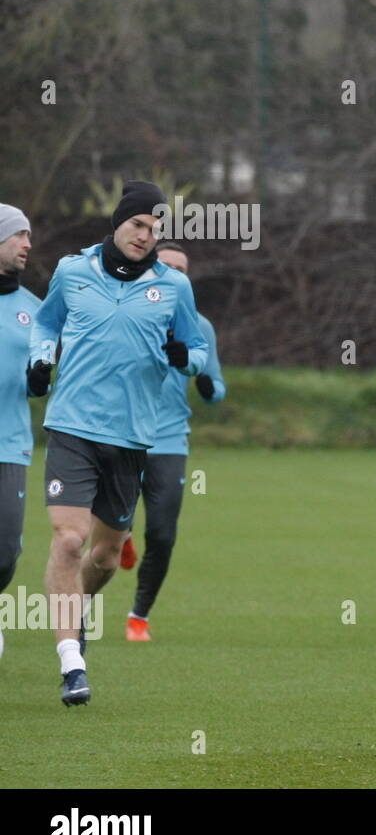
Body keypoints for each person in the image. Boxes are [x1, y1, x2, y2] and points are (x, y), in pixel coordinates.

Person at [29, 181, 208, 705]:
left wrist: (185, 358)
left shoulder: (173, 287)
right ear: (118, 222)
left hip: (132, 437)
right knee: (68, 540)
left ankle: (75, 608)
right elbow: (46, 324)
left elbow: (197, 349)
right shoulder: (72, 270)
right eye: (137, 225)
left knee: (106, 558)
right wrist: (41, 360)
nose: (145, 237)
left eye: (155, 230)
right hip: (72, 428)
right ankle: (71, 662)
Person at [122, 241, 226, 641]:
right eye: (167, 265)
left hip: (169, 441)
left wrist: (204, 383)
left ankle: (139, 616)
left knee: (163, 534)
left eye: (181, 268)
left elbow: (216, 389)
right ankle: (122, 535)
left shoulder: (199, 326)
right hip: (123, 434)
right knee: (110, 531)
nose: (175, 272)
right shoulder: (126, 313)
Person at [0, 204, 43, 661]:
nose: (28, 244)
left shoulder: (36, 310)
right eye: (19, 235)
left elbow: (49, 375)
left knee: (5, 551)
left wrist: (41, 379)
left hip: (9, 444)